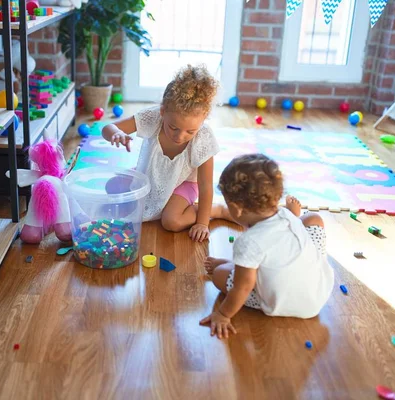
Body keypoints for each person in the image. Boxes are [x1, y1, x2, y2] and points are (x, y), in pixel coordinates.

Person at [200, 154, 334, 339]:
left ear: (236, 208)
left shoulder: (248, 242)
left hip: (281, 303)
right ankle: (242, 266)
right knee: (312, 219)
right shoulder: (285, 215)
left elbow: (243, 288)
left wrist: (223, 314)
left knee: (219, 274)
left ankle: (237, 267)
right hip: (319, 292)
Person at [101, 64, 231, 242]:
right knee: (112, 187)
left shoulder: (203, 138)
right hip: (150, 174)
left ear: (203, 119)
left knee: (172, 221)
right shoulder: (153, 117)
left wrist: (202, 222)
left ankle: (217, 210)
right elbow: (108, 128)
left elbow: (206, 185)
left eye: (190, 131)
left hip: (183, 183)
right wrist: (116, 133)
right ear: (163, 111)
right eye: (173, 127)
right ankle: (160, 201)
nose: (180, 136)